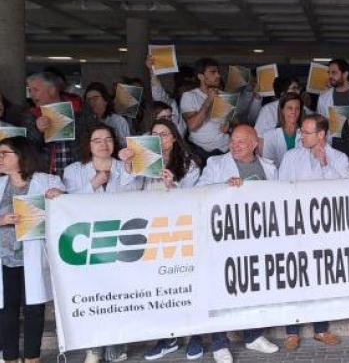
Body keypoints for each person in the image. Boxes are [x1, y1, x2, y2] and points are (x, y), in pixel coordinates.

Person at [197, 124, 279, 363]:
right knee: (221, 288)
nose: (234, 145)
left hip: (258, 238)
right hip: (225, 237)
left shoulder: (269, 167)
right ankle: (219, 344)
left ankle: (254, 336)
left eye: (241, 141)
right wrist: (222, 187)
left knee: (255, 287)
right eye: (232, 140)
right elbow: (199, 192)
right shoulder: (216, 165)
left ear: (254, 144)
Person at [124, 119, 200, 360]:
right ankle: (168, 337)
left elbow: (197, 199)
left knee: (188, 284)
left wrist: (172, 185)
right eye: (154, 134)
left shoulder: (189, 163)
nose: (159, 139)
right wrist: (128, 166)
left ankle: (195, 335)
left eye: (164, 134)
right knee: (160, 287)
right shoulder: (142, 160)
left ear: (174, 138)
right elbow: (126, 193)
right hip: (151, 231)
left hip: (181, 232)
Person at [63, 124, 137, 363]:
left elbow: (137, 194)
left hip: (120, 238)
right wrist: (93, 184)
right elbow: (67, 204)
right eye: (97, 140)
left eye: (108, 140)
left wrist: (127, 167)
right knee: (94, 296)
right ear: (88, 144)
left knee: (119, 294)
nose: (103, 145)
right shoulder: (75, 170)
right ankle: (94, 348)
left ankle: (117, 343)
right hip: (89, 241)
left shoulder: (124, 165)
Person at [277, 114, 348, 350]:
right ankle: (291, 332)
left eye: (307, 132)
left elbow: (344, 192)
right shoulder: (290, 156)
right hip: (295, 225)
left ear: (321, 135)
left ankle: (321, 329)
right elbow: (281, 190)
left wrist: (325, 165)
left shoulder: (339, 158)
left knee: (321, 278)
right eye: (302, 132)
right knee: (293, 277)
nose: (301, 136)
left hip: (324, 229)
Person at [0, 136, 65, 363]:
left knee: (34, 307)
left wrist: (58, 196)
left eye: (5, 153)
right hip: (5, 258)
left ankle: (32, 358)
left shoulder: (46, 180)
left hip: (34, 257)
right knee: (6, 309)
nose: (0, 158)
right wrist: (2, 219)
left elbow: (68, 211)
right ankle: (9, 357)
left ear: (21, 155)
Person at [27, 72, 82, 176]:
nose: (32, 95)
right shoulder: (30, 115)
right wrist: (37, 130)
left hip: (78, 171)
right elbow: (26, 148)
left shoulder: (79, 108)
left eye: (35, 90)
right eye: (30, 90)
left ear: (52, 90)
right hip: (47, 173)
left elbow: (91, 136)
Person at [180, 58, 230, 161]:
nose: (218, 76)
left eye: (218, 72)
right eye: (213, 72)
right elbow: (192, 126)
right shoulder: (189, 96)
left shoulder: (225, 96)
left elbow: (235, 122)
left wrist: (230, 127)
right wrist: (209, 101)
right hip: (200, 152)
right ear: (201, 76)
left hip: (226, 149)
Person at [146, 55, 188, 136]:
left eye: (189, 89)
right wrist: (152, 70)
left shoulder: (188, 106)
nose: (186, 93)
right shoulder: (169, 103)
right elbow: (158, 92)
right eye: (183, 88)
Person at [259, 93, 303, 168]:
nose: (294, 112)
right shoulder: (269, 136)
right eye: (290, 108)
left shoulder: (306, 134)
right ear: (282, 110)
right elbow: (268, 165)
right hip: (278, 178)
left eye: (297, 108)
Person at [83, 82, 130, 148]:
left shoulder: (118, 121)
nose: (91, 102)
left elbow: (126, 146)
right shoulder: (84, 122)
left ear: (105, 100)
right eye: (88, 100)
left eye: (95, 99)